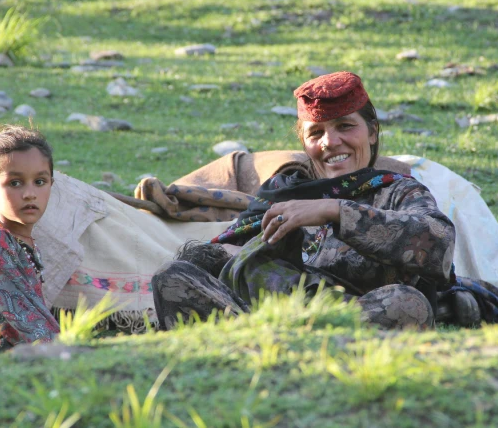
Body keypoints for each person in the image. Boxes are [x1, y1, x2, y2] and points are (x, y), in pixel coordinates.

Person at [152, 71, 457, 330]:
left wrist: (333, 211)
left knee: (406, 304)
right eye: (316, 133)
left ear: (372, 133)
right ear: (304, 142)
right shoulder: (283, 193)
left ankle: (285, 345)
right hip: (265, 315)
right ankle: (269, 341)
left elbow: (438, 241)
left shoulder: (398, 192)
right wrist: (239, 254)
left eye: (345, 126)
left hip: (350, 320)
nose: (330, 142)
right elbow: (234, 253)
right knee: (177, 273)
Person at [0, 125, 60, 349]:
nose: (30, 193)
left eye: (40, 182)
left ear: (51, 184)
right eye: (15, 183)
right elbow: (29, 329)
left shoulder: (19, 241)